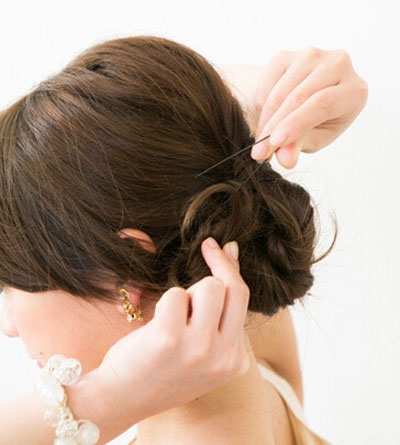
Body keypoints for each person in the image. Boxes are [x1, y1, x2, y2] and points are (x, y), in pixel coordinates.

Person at [0, 36, 368, 444]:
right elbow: (173, 143)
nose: (8, 325)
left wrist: (103, 399)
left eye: (10, 282)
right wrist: (265, 102)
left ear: (125, 271)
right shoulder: (249, 324)